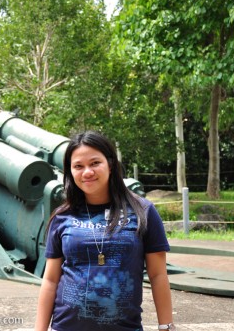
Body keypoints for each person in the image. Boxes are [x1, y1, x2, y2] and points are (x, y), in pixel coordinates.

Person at [35, 131, 175, 331]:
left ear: (110, 164)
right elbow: (50, 280)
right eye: (78, 166)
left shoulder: (142, 211)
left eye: (94, 163)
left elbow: (158, 275)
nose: (87, 172)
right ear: (70, 172)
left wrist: (166, 326)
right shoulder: (62, 216)